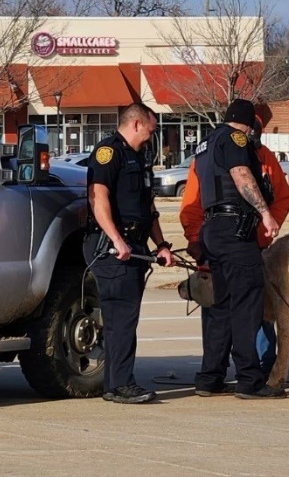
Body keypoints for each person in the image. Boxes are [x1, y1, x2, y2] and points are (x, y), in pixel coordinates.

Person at [179, 115, 289, 387]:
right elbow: (193, 203)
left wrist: (262, 237)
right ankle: (244, 377)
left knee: (231, 308)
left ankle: (221, 376)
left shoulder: (259, 156)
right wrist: (195, 240)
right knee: (244, 307)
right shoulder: (225, 149)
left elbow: (282, 197)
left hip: (239, 239)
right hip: (229, 239)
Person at [83, 103, 175, 404]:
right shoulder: (108, 152)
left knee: (125, 317)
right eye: (150, 130)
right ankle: (121, 384)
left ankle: (115, 384)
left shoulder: (139, 158)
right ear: (136, 124)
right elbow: (98, 198)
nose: (151, 136)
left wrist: (161, 245)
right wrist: (116, 239)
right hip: (112, 248)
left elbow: (148, 208)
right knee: (121, 317)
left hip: (135, 246)